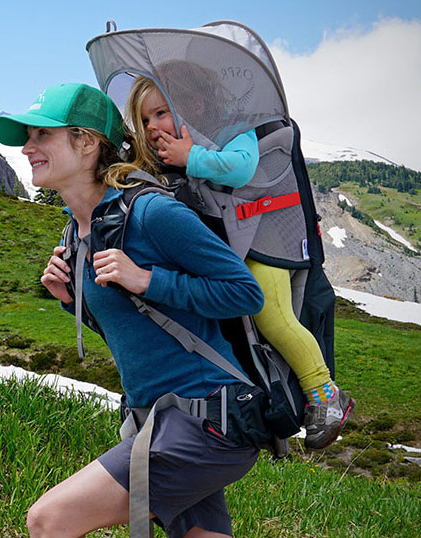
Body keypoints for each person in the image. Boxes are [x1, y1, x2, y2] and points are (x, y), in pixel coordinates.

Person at [0, 82, 291, 538]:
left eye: (43, 134)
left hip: (209, 420)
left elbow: (245, 293)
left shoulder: (151, 213)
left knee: (50, 521)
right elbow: (146, 340)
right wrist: (76, 301)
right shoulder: (81, 233)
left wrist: (147, 278)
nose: (29, 146)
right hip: (167, 421)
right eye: (28, 136)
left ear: (87, 142)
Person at [121, 75, 354, 449]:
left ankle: (325, 395)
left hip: (270, 240)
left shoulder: (234, 129)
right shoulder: (180, 149)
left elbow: (242, 168)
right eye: (144, 120)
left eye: (161, 113)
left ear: (193, 105)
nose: (151, 127)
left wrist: (190, 157)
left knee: (270, 314)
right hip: (243, 242)